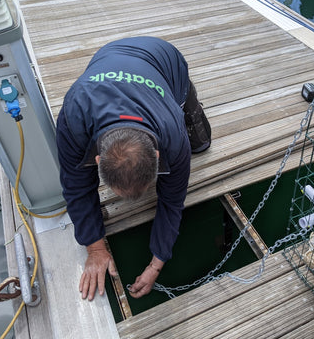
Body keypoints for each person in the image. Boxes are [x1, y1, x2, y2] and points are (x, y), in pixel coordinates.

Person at [56, 36, 211, 301]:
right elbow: (76, 186)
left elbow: (172, 201)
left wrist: (156, 264)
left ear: (159, 156)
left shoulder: (173, 135)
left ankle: (191, 101)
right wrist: (94, 247)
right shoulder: (73, 117)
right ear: (96, 160)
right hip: (107, 55)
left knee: (201, 143)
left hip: (165, 59)